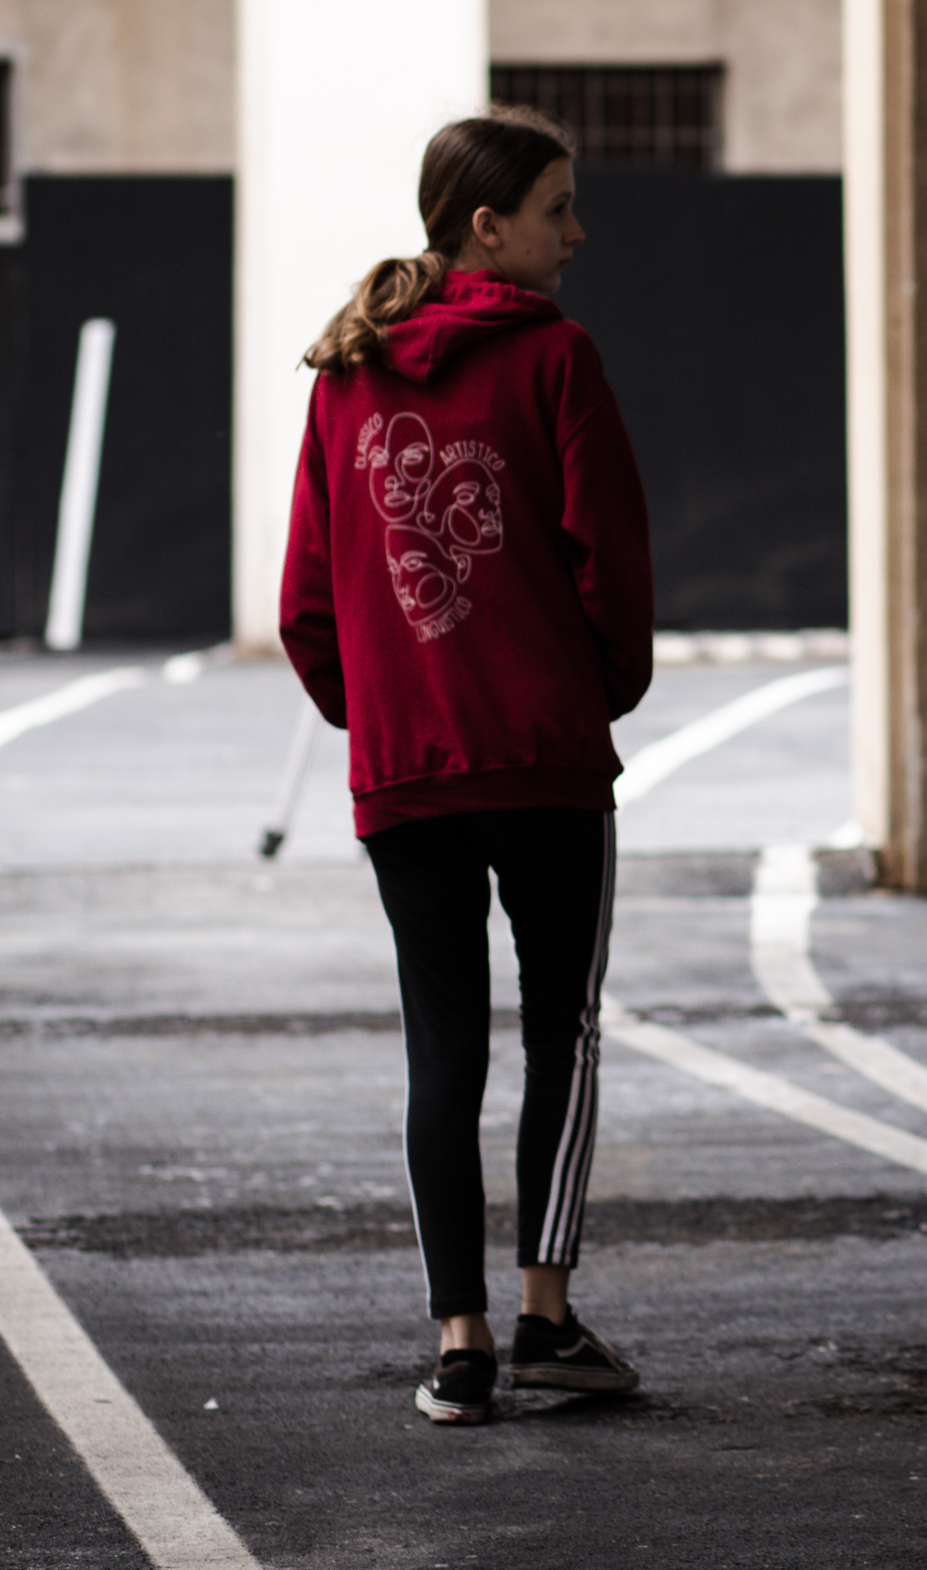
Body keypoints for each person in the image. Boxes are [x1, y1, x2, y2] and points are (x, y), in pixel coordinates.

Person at [280, 105, 655, 1425]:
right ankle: (547, 1317)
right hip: (547, 764)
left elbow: (306, 605)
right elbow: (611, 557)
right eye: (561, 207)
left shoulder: (346, 366)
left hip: (410, 781)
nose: (580, 230)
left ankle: (461, 1345)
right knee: (564, 1035)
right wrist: (587, 691)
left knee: (443, 1057)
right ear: (489, 227)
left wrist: (384, 714)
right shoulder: (559, 358)